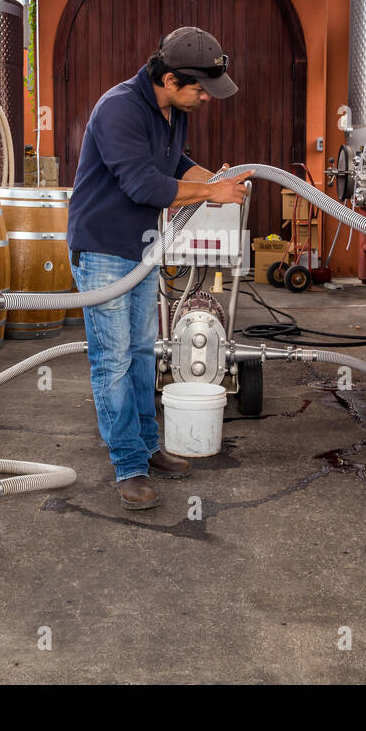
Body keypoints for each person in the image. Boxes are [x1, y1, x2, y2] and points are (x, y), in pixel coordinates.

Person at [68, 27, 252, 510]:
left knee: (144, 353)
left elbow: (174, 162)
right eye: (201, 89)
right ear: (170, 79)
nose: (207, 98)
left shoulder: (172, 111)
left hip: (144, 250)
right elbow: (142, 184)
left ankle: (149, 447)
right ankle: (129, 466)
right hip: (104, 251)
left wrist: (214, 179)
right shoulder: (118, 109)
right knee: (113, 361)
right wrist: (212, 194)